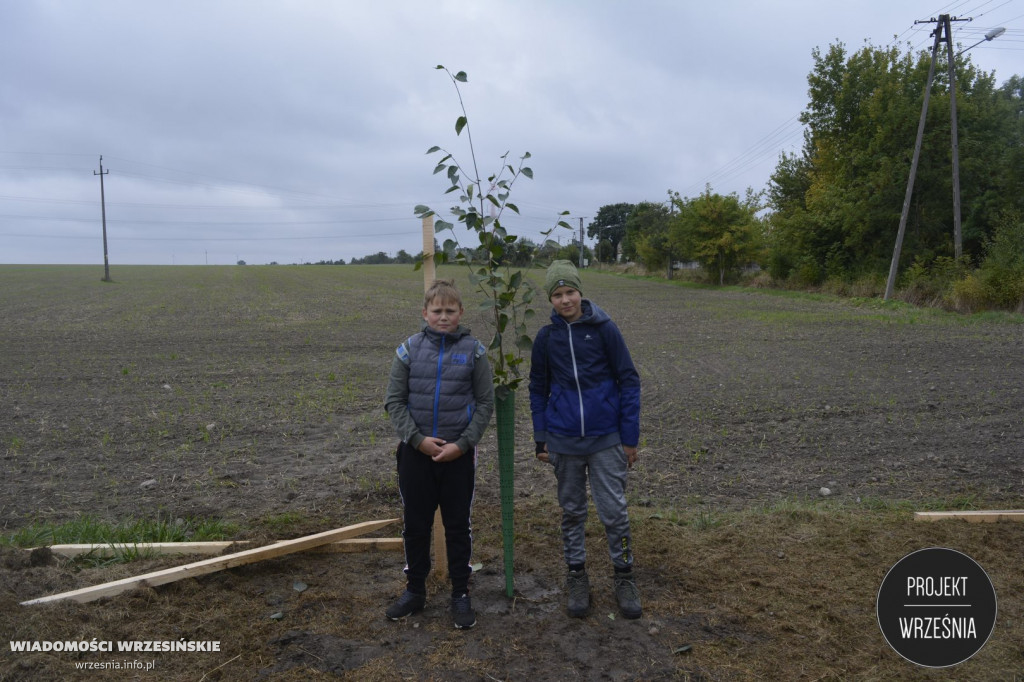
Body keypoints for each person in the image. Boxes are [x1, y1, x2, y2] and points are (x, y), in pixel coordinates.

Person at [529, 260, 643, 619]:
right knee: (572, 512)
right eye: (558, 294)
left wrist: (629, 438)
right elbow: (537, 388)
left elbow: (629, 380)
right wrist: (541, 437)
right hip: (563, 440)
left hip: (606, 439)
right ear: (551, 298)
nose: (565, 300)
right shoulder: (547, 338)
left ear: (581, 292)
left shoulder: (605, 329)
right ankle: (577, 576)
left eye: (570, 292)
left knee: (614, 512)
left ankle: (624, 576)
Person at [383, 279, 494, 630]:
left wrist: (462, 444)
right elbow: (394, 401)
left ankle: (460, 594)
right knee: (416, 526)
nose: (443, 317)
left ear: (460, 313)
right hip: (416, 455)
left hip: (458, 456)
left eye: (450, 311)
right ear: (425, 313)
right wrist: (417, 440)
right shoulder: (408, 351)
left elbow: (486, 403)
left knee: (458, 526)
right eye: (437, 311)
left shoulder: (474, 352)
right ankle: (414, 591)